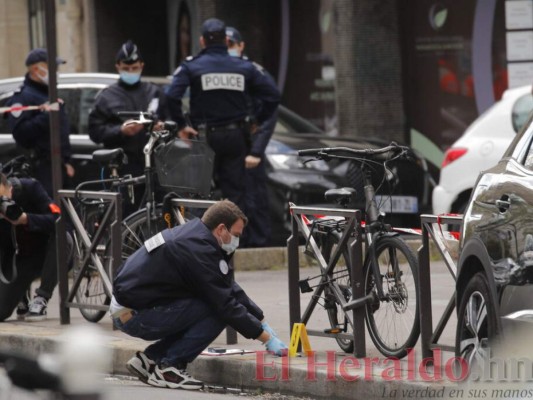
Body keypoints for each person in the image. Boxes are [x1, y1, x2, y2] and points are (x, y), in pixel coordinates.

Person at [111, 200, 287, 390]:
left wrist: (260, 319)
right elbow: (225, 304)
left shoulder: (196, 236)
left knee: (211, 302)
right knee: (217, 311)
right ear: (221, 229)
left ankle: (150, 359)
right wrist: (265, 338)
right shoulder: (198, 250)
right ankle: (170, 367)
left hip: (131, 307)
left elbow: (226, 285)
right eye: (236, 235)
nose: (237, 241)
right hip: (134, 315)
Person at [166, 18, 280, 218]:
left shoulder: (192, 66)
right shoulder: (243, 67)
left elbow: (171, 95)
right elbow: (273, 96)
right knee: (235, 197)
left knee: (199, 195)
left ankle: (199, 243)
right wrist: (257, 121)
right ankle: (233, 245)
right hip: (235, 138)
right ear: (226, 41)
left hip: (204, 138)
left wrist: (182, 125)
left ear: (202, 41)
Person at [88, 40, 168, 214]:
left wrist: (160, 127)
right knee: (126, 215)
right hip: (124, 166)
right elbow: (94, 131)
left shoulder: (154, 92)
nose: (131, 72)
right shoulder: (107, 96)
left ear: (142, 66)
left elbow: (170, 122)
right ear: (118, 67)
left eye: (134, 68)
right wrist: (120, 131)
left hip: (155, 164)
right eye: (126, 68)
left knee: (160, 213)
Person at [226, 26, 279, 248]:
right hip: (230, 148)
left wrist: (256, 150)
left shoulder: (253, 72)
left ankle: (259, 247)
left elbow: (269, 114)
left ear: (241, 46)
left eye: (231, 45)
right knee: (234, 201)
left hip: (249, 150)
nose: (228, 50)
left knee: (254, 201)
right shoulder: (222, 72)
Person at [0, 172, 72, 321]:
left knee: (62, 236)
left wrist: (25, 219)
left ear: (8, 187)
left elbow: (58, 219)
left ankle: (42, 296)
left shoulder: (29, 188)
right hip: (23, 259)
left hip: (50, 252)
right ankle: (21, 295)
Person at [6, 48, 75, 197]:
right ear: (36, 69)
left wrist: (66, 161)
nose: (56, 72)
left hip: (58, 166)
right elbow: (21, 133)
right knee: (50, 215)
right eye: (53, 68)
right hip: (40, 168)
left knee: (67, 215)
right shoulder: (23, 97)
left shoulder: (47, 93)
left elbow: (61, 132)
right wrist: (47, 115)